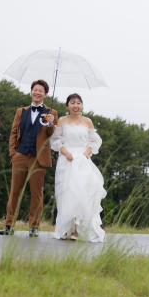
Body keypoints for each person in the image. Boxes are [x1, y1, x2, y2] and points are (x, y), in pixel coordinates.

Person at [0, 79, 56, 237]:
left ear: (45, 94)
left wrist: (51, 124)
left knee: (36, 193)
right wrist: (13, 153)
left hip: (39, 159)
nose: (37, 92)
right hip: (20, 155)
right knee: (14, 192)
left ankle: (34, 227)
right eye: (35, 90)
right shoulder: (20, 111)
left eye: (40, 91)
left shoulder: (52, 113)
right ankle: (9, 225)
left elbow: (52, 135)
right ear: (31, 92)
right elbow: (13, 132)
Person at [51, 93, 106, 242]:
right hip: (65, 161)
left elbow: (94, 142)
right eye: (72, 103)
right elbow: (56, 141)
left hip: (82, 161)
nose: (76, 106)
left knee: (80, 195)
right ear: (67, 105)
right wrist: (66, 153)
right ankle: (64, 229)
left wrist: (86, 154)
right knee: (65, 195)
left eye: (78, 103)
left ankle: (77, 230)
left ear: (82, 105)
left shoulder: (87, 121)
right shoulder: (62, 120)